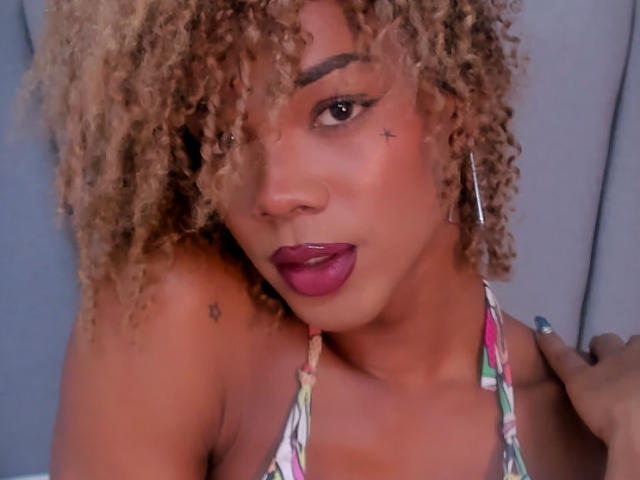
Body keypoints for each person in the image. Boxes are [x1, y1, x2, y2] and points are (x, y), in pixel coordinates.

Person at [26, 0, 639, 479]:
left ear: (455, 103)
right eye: (226, 138)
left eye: (338, 111)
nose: (275, 194)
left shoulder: (595, 432)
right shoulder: (180, 326)